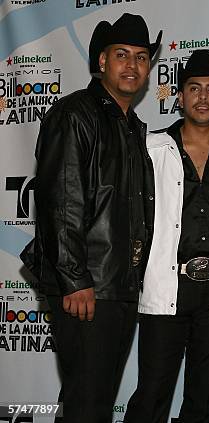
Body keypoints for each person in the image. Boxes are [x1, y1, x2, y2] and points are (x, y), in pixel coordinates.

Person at [19, 13, 161, 423]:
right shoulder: (75, 114)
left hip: (117, 285)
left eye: (140, 57)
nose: (132, 65)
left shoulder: (131, 124)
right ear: (102, 62)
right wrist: (75, 279)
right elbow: (61, 203)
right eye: (122, 55)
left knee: (91, 401)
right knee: (87, 404)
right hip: (87, 287)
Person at [122, 49, 209, 423]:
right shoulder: (148, 148)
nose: (203, 96)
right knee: (151, 395)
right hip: (163, 288)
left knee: (205, 400)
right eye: (193, 88)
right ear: (179, 97)